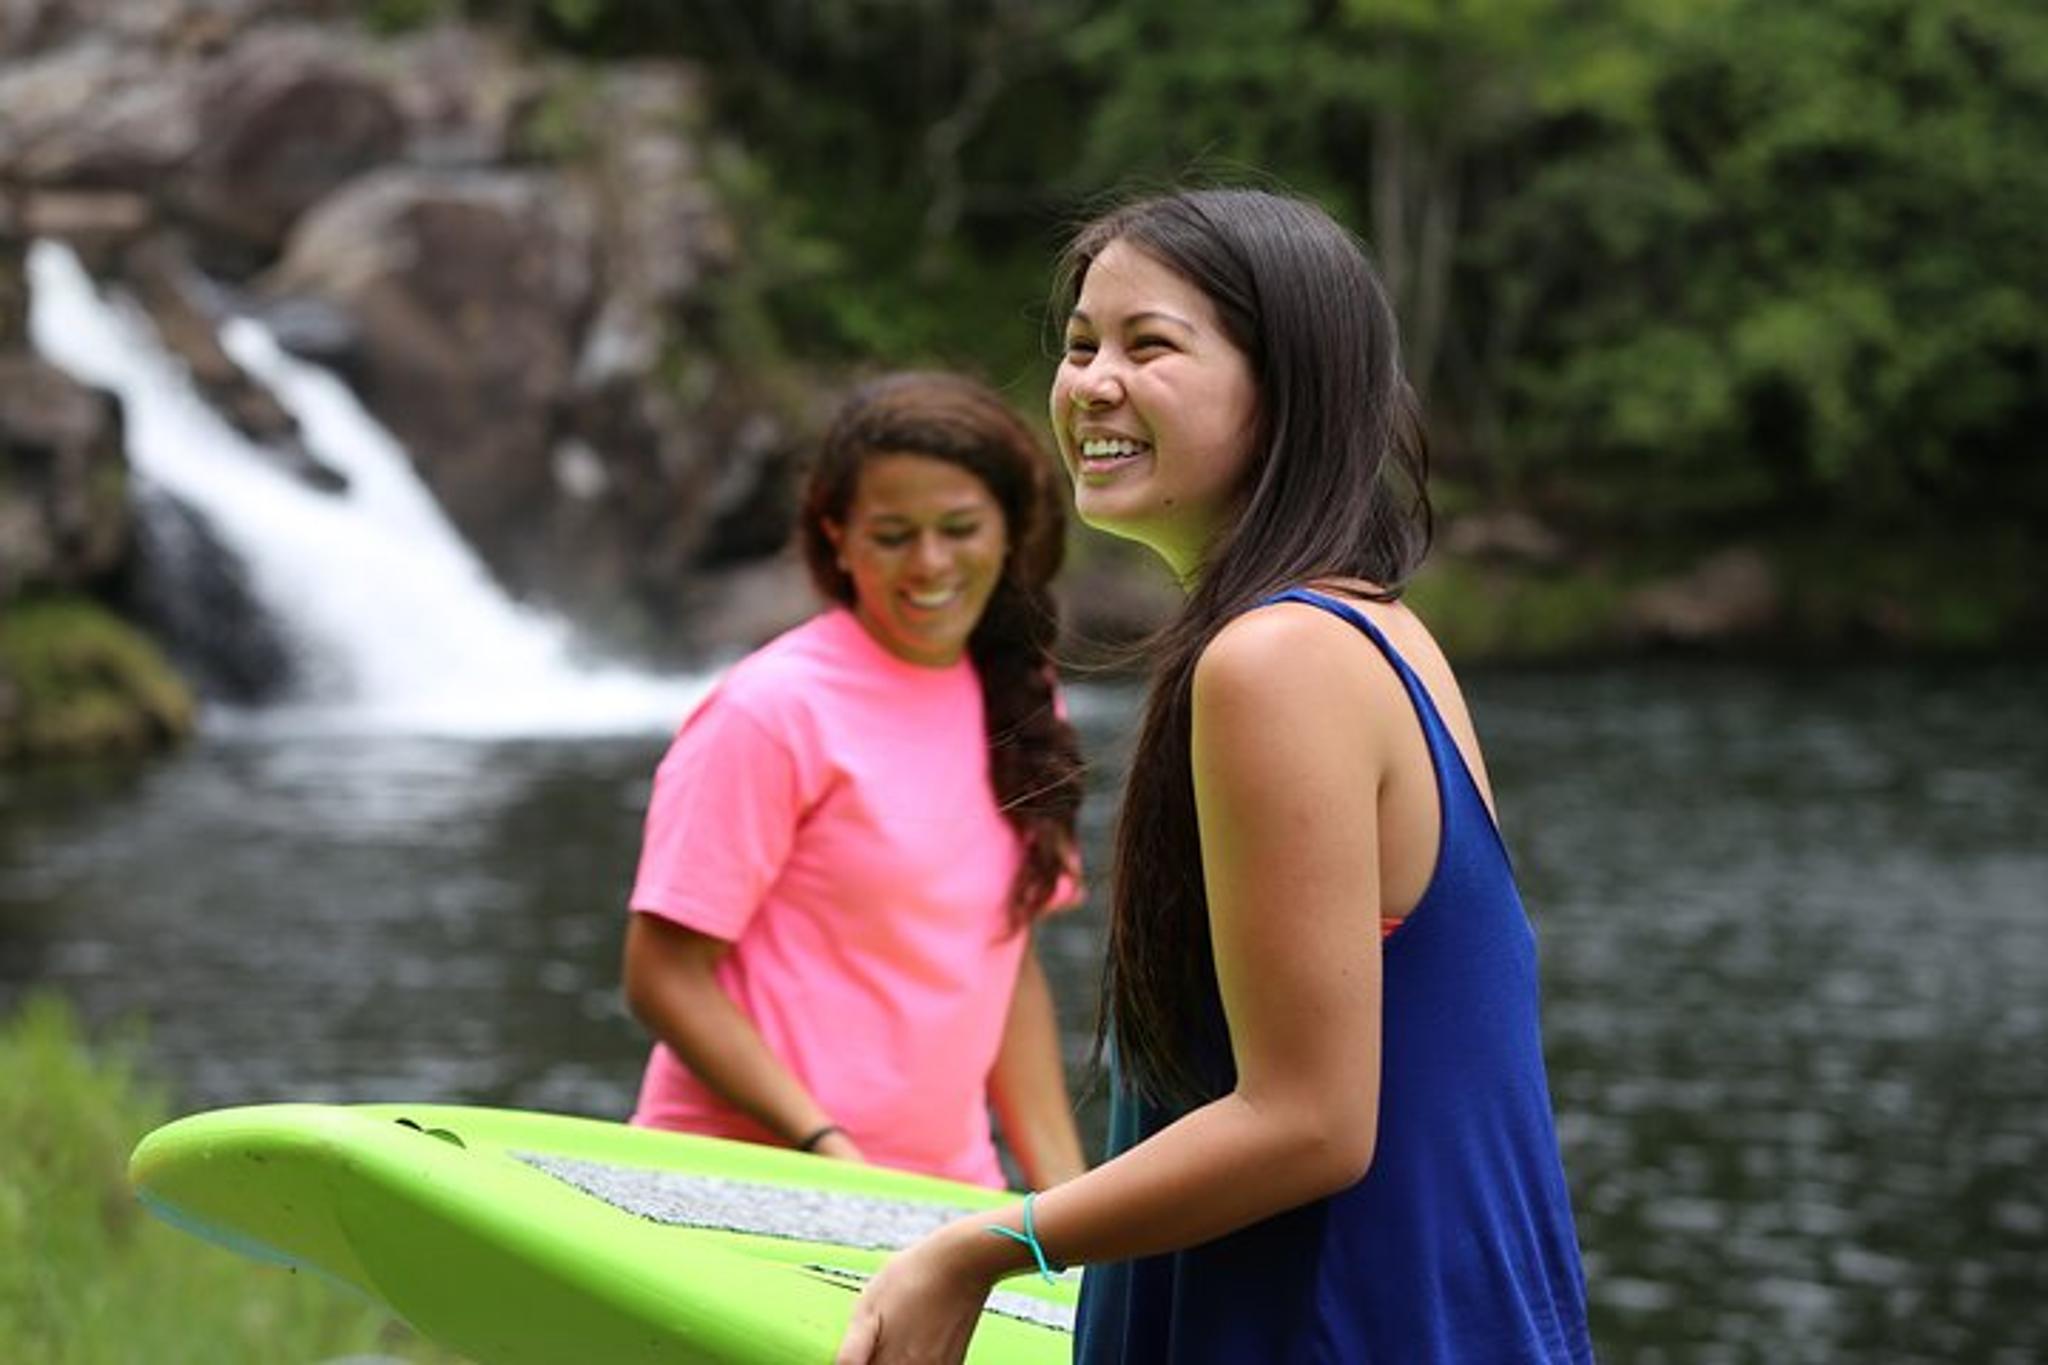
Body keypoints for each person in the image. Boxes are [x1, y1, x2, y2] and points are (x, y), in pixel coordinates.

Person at [835, 189, 1595, 1362]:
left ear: (1285, 387)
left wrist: (988, 1243)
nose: (1090, 382)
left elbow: (1308, 1123)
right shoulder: (1367, 627)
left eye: (1149, 346)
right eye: (1080, 344)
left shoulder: (1277, 659)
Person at [622, 370, 1088, 1192]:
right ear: (837, 536)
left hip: (943, 1198)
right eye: (893, 533)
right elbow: (662, 973)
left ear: (1011, 530)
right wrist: (825, 1144)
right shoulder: (771, 709)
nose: (930, 562)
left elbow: (1005, 962)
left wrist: (1071, 1205)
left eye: (959, 527)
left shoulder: (1021, 696)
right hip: (743, 1187)